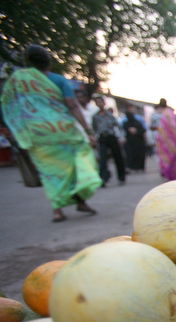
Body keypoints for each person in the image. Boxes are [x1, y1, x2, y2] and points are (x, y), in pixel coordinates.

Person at [0, 44, 100, 222]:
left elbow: (7, 104)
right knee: (77, 166)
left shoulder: (18, 80)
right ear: (49, 62)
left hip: (36, 134)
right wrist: (88, 131)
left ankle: (57, 210)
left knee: (50, 173)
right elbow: (72, 106)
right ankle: (81, 200)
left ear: (28, 61)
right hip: (63, 131)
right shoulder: (58, 80)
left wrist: (14, 129)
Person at [92, 95, 126, 186]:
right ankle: (103, 178)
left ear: (104, 103)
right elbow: (94, 128)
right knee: (103, 159)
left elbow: (118, 126)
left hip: (112, 137)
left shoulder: (110, 115)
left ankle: (121, 177)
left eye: (101, 102)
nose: (99, 104)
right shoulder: (95, 116)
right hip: (102, 138)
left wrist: (121, 137)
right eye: (97, 102)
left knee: (117, 157)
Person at [153, 99, 176, 180]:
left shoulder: (164, 114)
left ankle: (169, 174)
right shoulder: (169, 113)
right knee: (173, 157)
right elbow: (174, 126)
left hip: (165, 140)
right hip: (171, 140)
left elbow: (165, 127)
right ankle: (173, 174)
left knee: (167, 158)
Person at [122, 105, 146, 171]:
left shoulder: (138, 121)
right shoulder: (125, 122)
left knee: (139, 154)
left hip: (138, 140)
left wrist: (136, 131)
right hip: (130, 141)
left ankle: (139, 167)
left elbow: (143, 130)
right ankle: (133, 166)